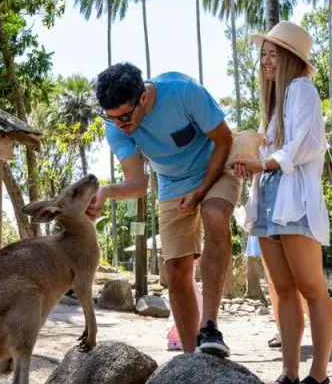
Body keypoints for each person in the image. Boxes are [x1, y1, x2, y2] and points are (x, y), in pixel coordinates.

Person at [87, 63, 239, 357]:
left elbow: (224, 140)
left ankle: (210, 327)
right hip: (172, 183)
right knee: (175, 268)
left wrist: (201, 191)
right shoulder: (115, 125)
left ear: (143, 97)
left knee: (215, 214)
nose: (119, 124)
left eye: (124, 116)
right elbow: (138, 183)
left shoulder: (183, 92)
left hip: (216, 167)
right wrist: (106, 192)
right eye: (112, 117)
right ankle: (191, 358)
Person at [233, 21, 332, 384]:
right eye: (263, 54)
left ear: (292, 58)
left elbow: (306, 144)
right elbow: (271, 152)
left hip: (295, 201)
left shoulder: (302, 89)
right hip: (269, 201)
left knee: (312, 288)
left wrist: (266, 163)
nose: (265, 60)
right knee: (283, 290)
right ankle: (290, 371)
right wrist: (248, 163)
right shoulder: (275, 102)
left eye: (273, 53)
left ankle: (320, 378)